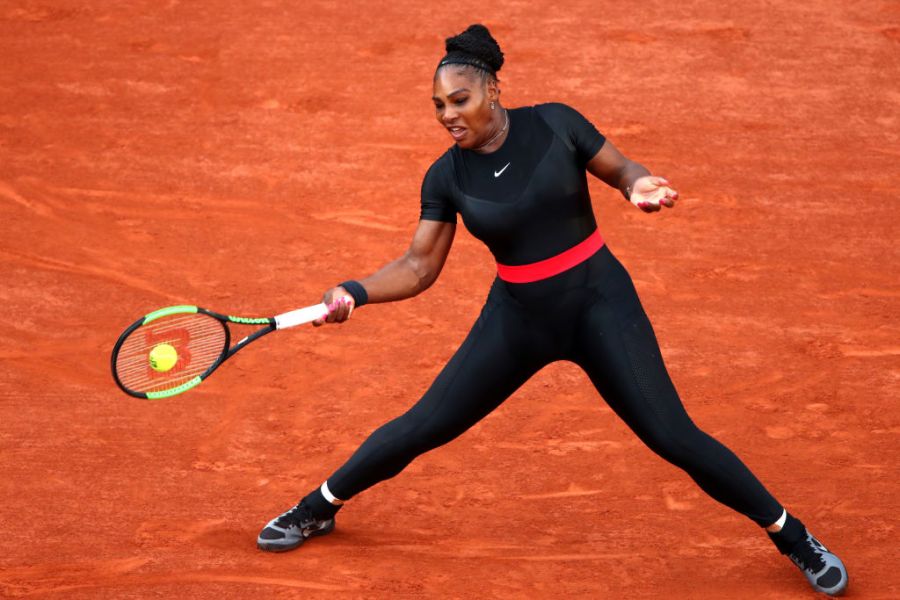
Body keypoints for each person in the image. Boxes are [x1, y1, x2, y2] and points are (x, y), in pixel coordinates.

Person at [256, 24, 848, 597]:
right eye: (437, 105)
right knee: (425, 423)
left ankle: (795, 538)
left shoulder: (556, 123)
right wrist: (354, 291)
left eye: (459, 100)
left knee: (673, 436)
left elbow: (622, 169)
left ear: (493, 90)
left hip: (600, 304)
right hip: (518, 319)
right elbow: (418, 266)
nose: (447, 115)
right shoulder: (445, 176)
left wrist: (638, 186)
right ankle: (316, 508)